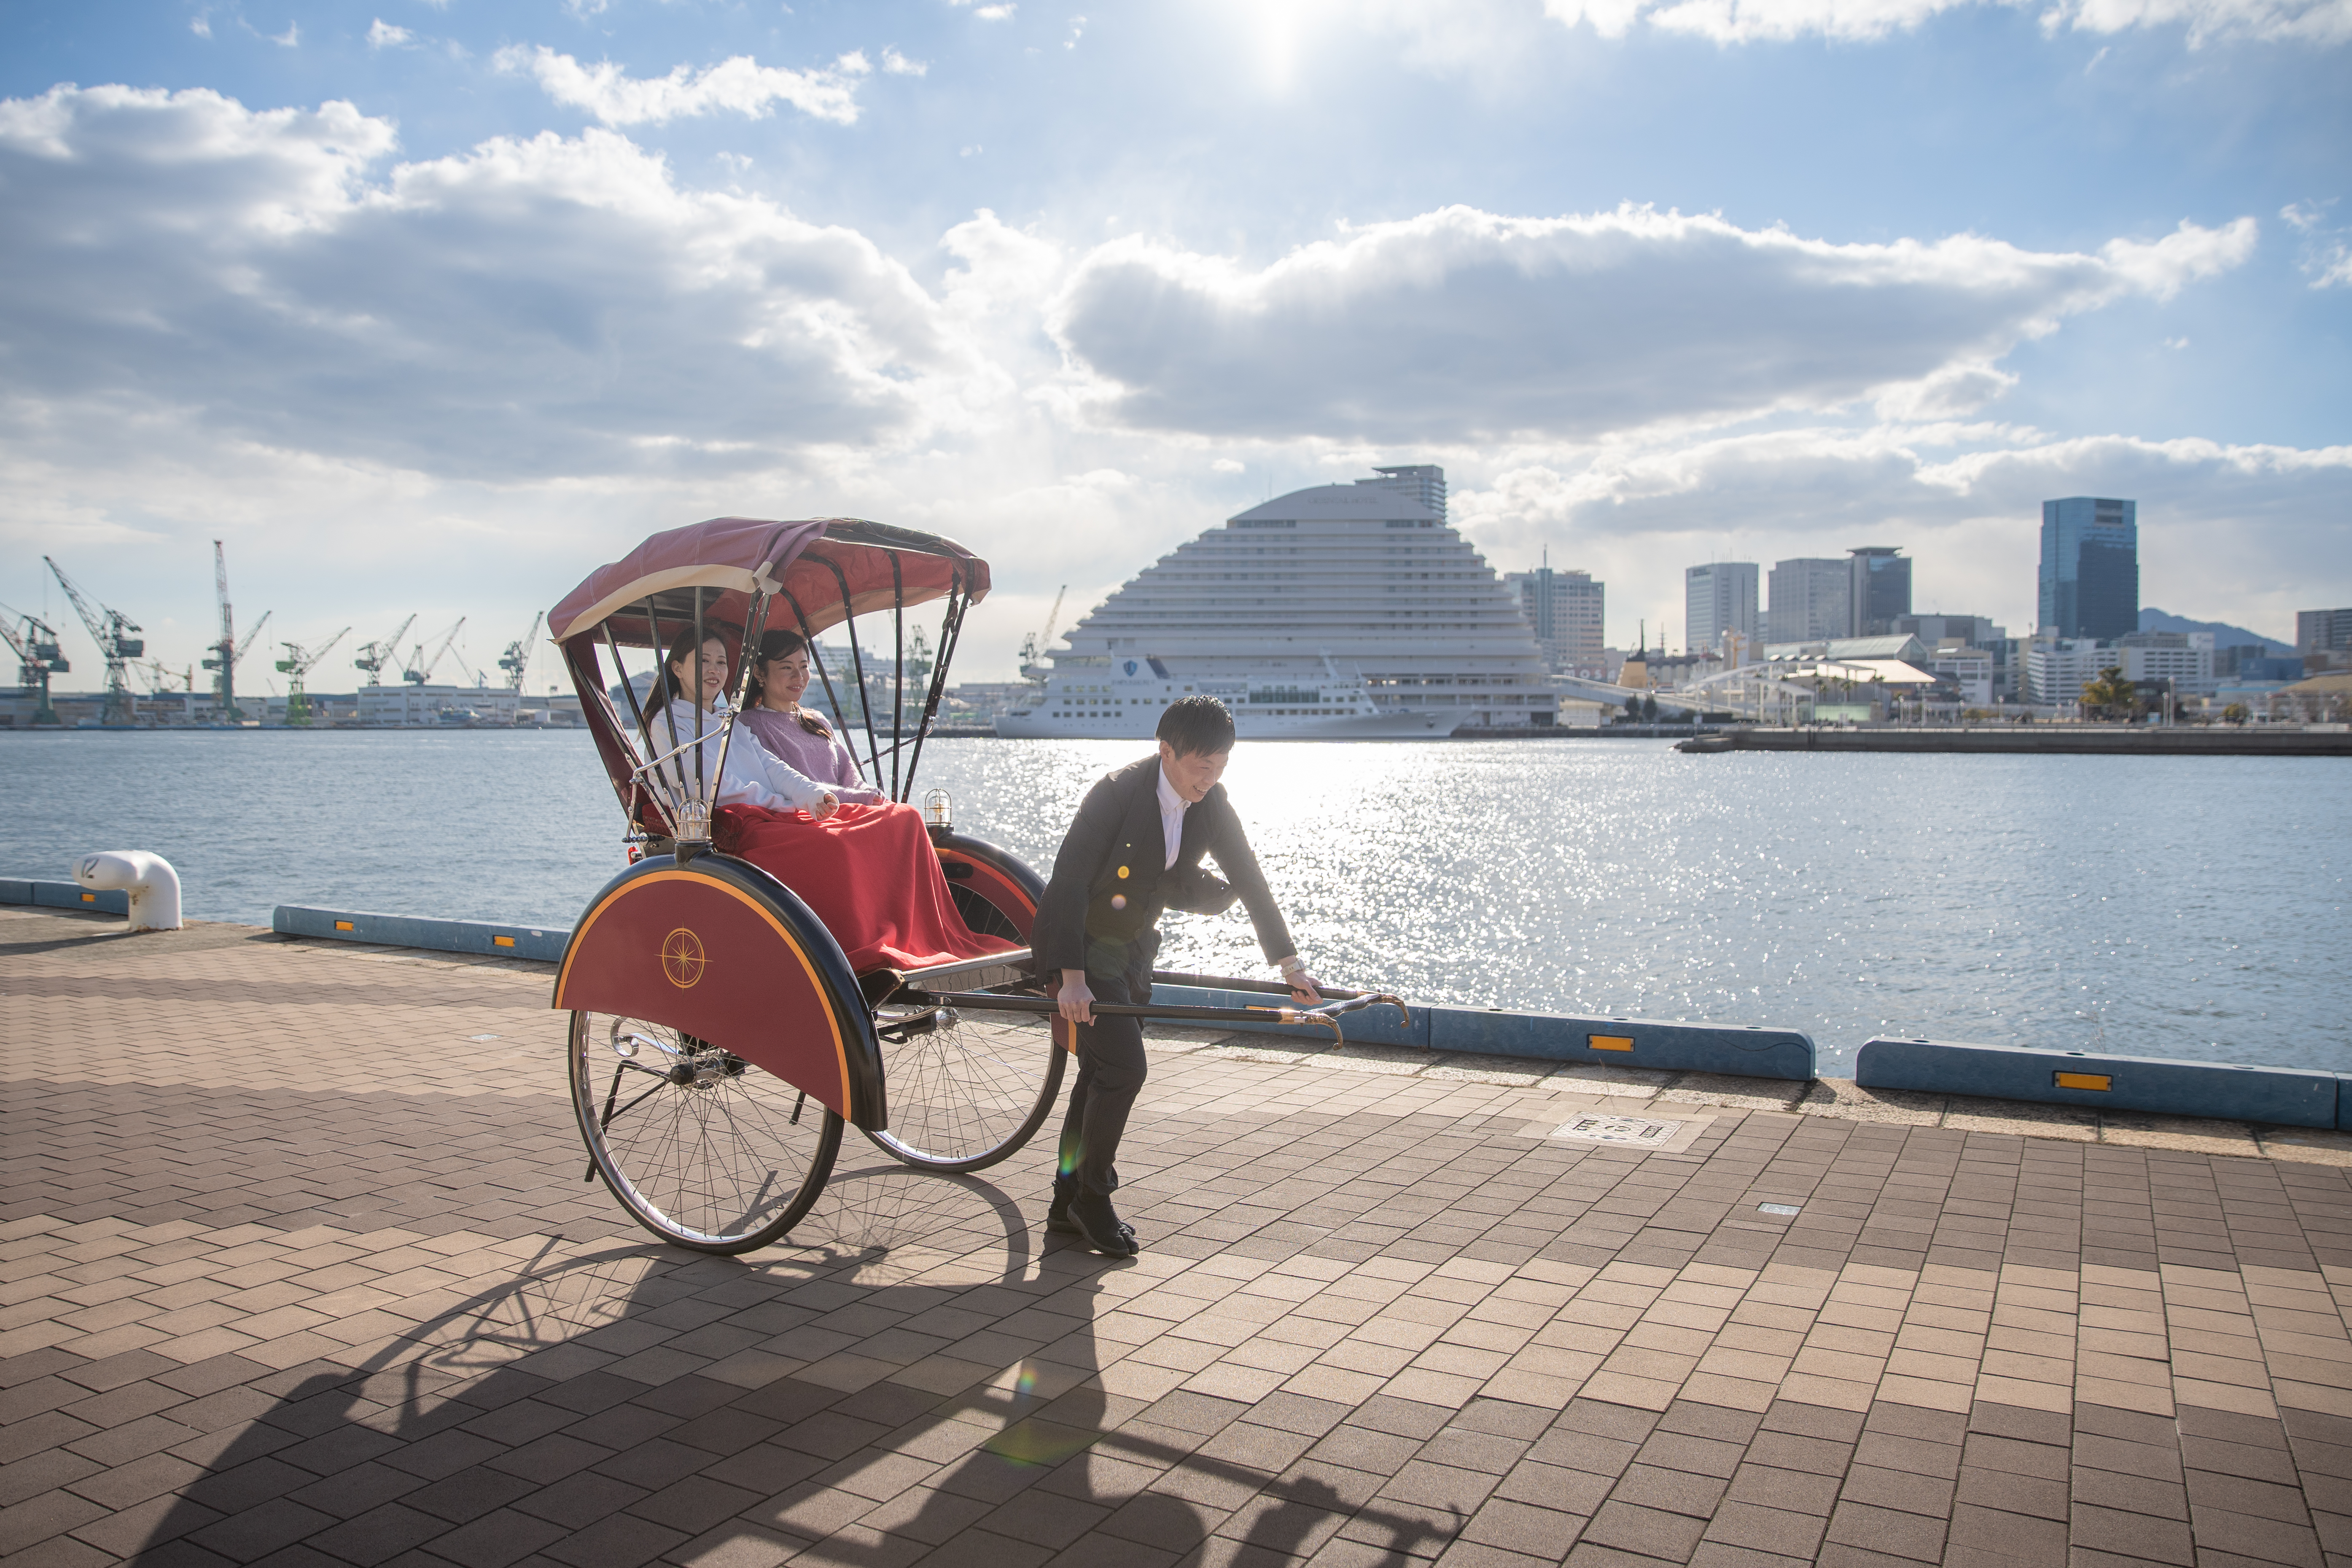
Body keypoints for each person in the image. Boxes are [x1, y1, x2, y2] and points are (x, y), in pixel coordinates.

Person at [1031, 696, 1324, 1257]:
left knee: (1099, 1072)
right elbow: (1066, 881)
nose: (1210, 778)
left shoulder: (1210, 802)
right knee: (1124, 1068)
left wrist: (1291, 965)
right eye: (1201, 765)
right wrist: (1070, 978)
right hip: (1082, 947)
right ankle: (1091, 1198)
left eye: (1220, 766)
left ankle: (1065, 1201)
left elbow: (1249, 876)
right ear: (1166, 751)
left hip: (1132, 948)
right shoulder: (1115, 793)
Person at [642, 627, 840, 821]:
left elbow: (771, 766)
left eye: (721, 662)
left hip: (764, 813)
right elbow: (708, 785)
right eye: (704, 661)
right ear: (678, 668)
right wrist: (779, 804)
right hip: (726, 822)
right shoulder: (668, 724)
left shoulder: (728, 723)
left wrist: (812, 794)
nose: (714, 670)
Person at [735, 630, 885, 806]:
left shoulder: (817, 720)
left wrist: (868, 792)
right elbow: (786, 785)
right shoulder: (750, 725)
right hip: (807, 815)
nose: (798, 677)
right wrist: (857, 798)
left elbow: (848, 775)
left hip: (847, 806)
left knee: (905, 814)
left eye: (804, 667)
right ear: (760, 673)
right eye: (787, 667)